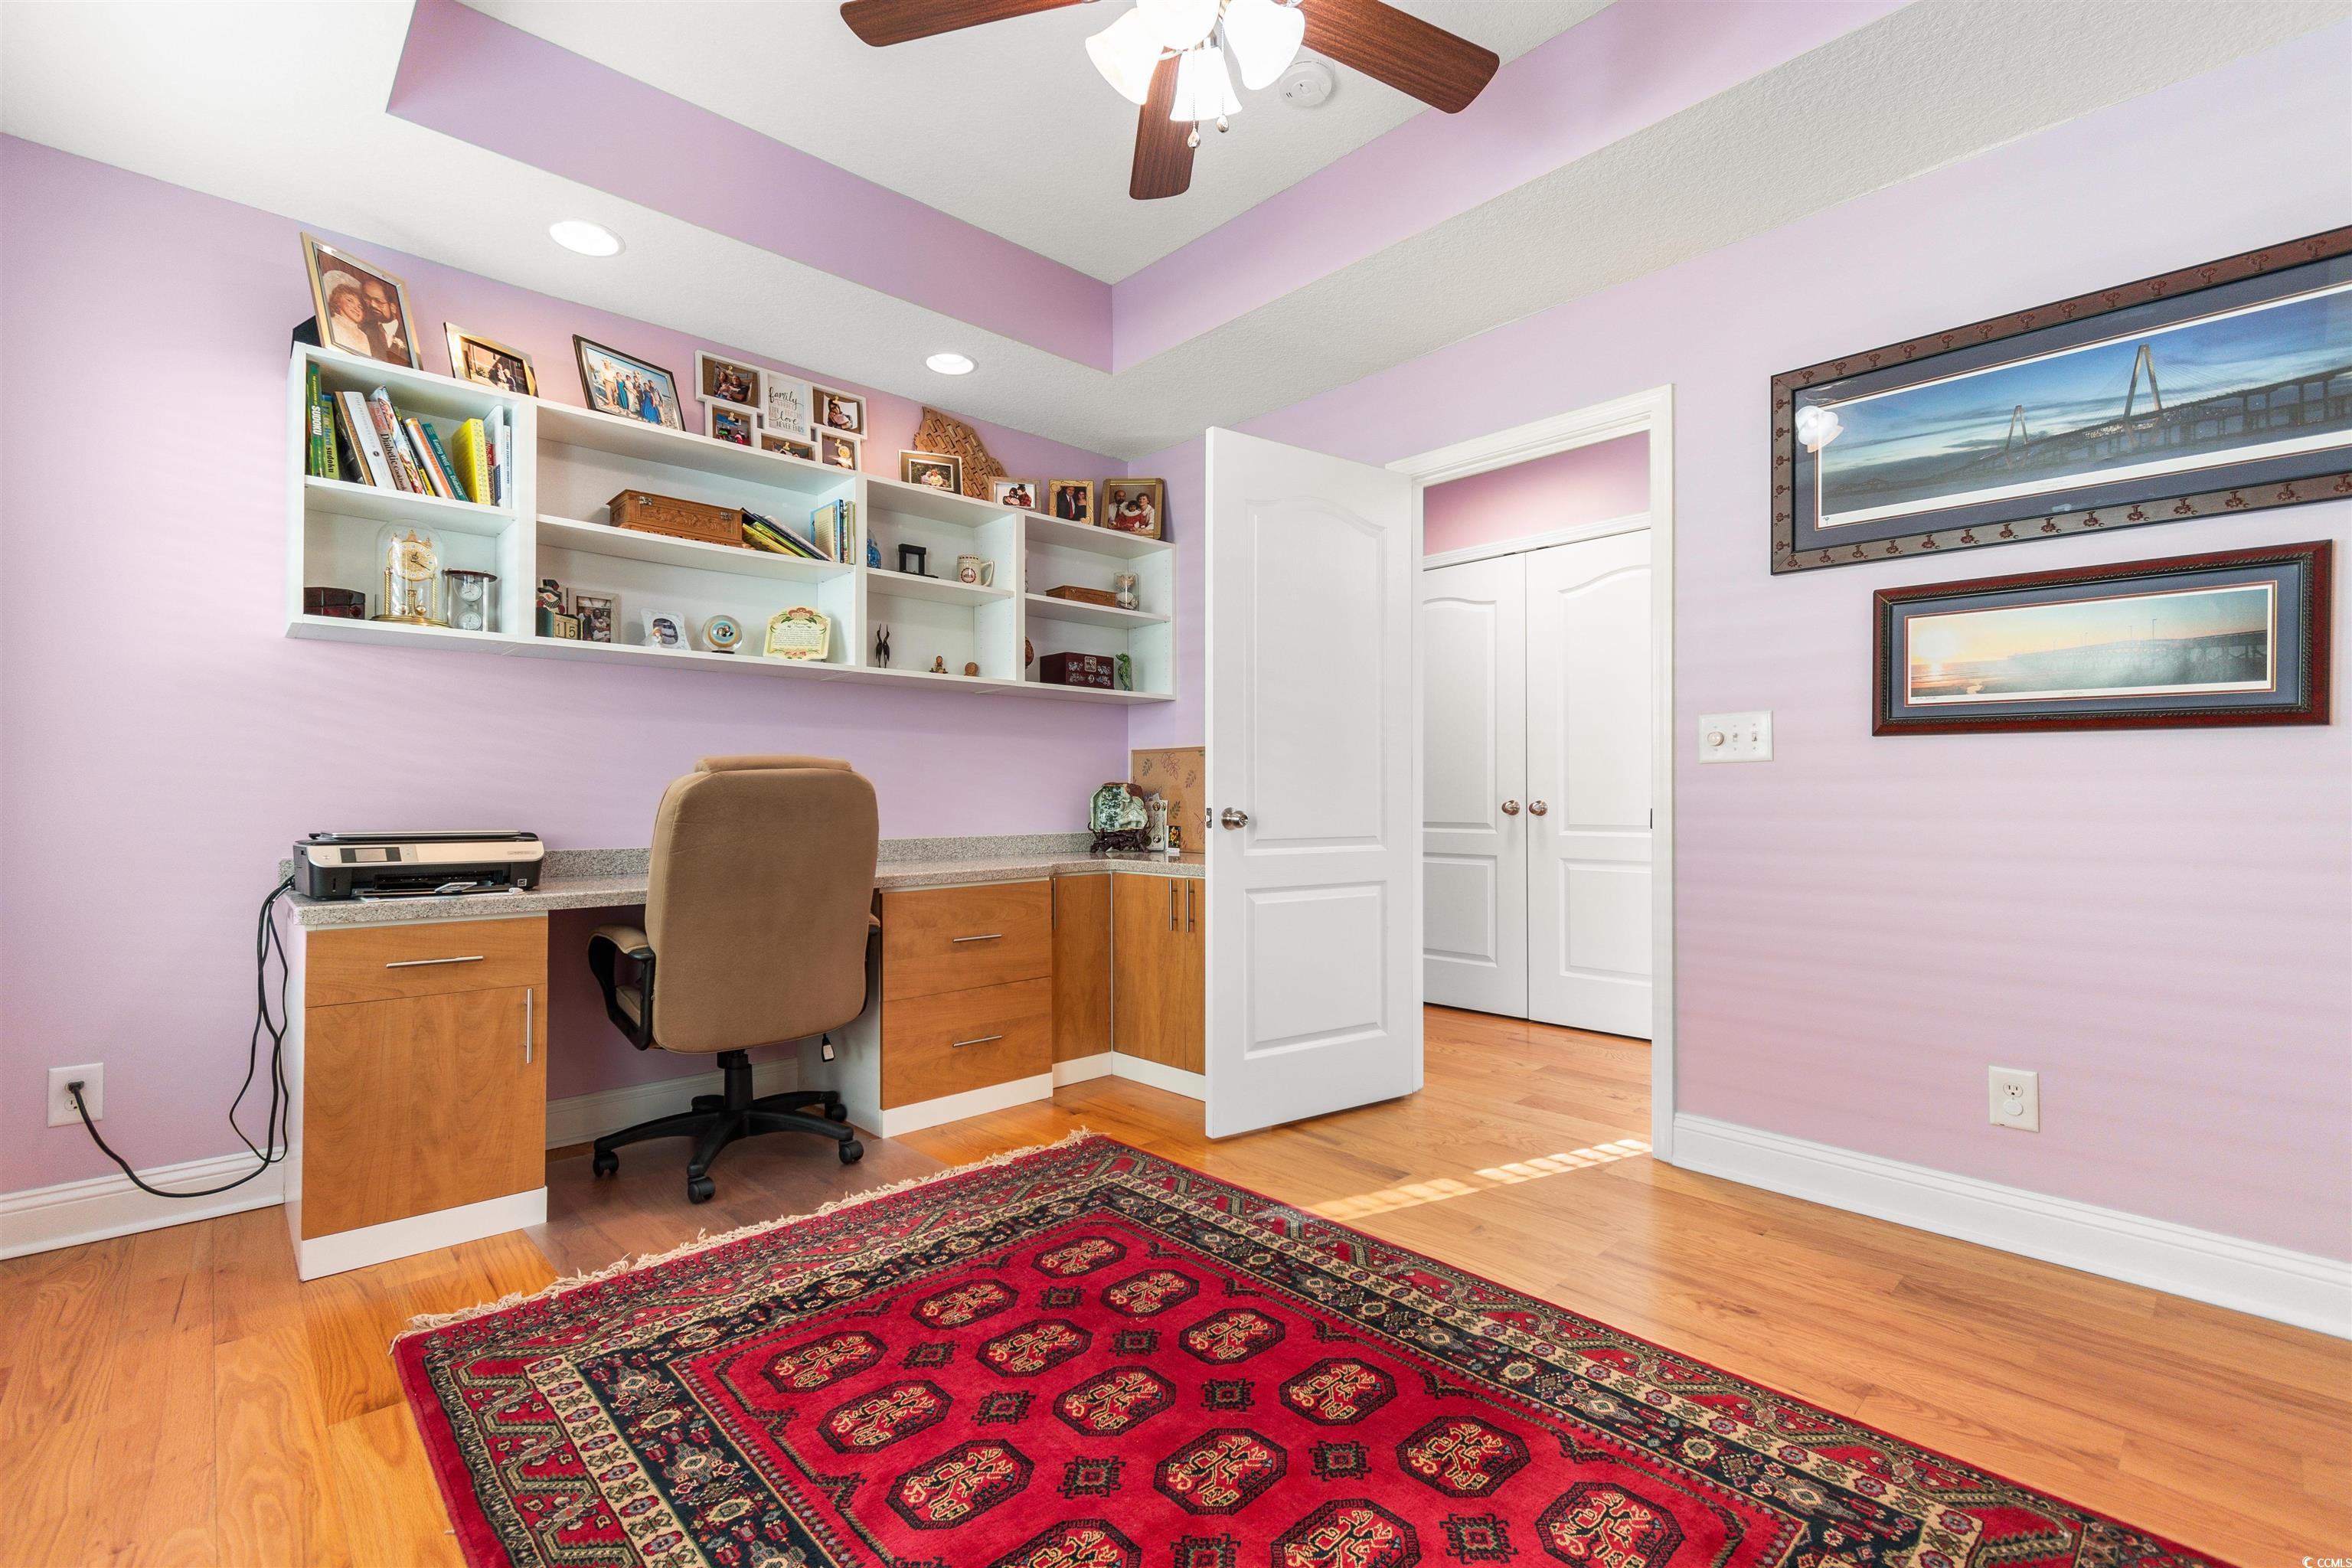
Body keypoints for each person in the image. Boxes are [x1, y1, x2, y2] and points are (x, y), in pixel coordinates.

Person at [360, 276, 408, 364]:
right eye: (368, 299)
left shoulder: (408, 336)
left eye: (378, 301)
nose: (373, 305)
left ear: (393, 308)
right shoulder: (364, 329)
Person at [321, 275, 372, 357]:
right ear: (337, 301)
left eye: (360, 306)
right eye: (350, 300)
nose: (356, 308)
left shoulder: (363, 336)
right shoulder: (331, 324)